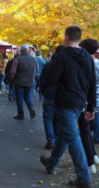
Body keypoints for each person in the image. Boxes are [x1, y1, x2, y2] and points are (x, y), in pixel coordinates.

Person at [40, 25, 97, 188]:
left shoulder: (62, 56)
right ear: (79, 38)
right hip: (80, 103)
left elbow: (51, 80)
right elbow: (92, 83)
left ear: (66, 37)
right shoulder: (87, 57)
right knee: (66, 134)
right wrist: (91, 107)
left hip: (65, 102)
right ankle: (51, 163)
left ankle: (84, 178)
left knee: (72, 138)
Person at [78, 39, 99, 174]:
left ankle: (90, 162)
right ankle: (94, 156)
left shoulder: (86, 64)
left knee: (84, 130)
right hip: (96, 99)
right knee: (88, 129)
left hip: (87, 101)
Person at [39, 45, 64, 150]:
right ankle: (56, 139)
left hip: (49, 94)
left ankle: (50, 140)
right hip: (61, 96)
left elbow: (43, 80)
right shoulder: (66, 65)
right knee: (57, 119)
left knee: (48, 118)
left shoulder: (48, 65)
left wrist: (44, 91)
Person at [10, 44, 38, 120]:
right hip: (30, 81)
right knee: (28, 96)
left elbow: (13, 72)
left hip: (19, 82)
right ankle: (31, 108)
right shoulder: (34, 59)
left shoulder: (17, 59)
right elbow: (37, 68)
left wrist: (12, 78)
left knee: (19, 98)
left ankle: (20, 114)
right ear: (28, 50)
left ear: (21, 50)